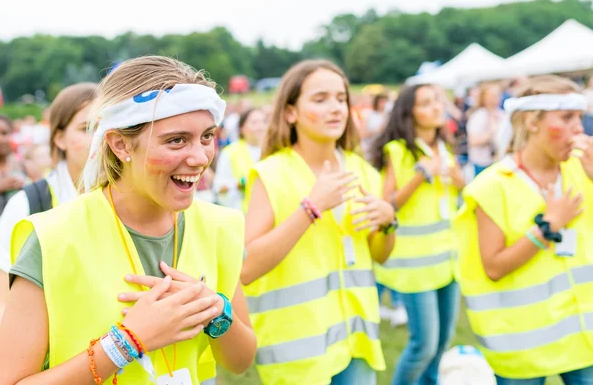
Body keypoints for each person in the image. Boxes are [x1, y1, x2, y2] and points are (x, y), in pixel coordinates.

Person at [0, 56, 256, 385]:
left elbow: (240, 361)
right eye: (176, 140)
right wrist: (128, 342)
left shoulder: (222, 226)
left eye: (206, 137)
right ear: (120, 144)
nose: (200, 157)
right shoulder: (54, 237)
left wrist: (216, 311)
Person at [242, 60, 396, 385]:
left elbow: (380, 255)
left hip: (356, 339)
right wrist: (310, 209)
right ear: (290, 113)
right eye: (320, 99)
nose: (336, 108)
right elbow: (246, 267)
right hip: (297, 349)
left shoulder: (362, 170)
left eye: (341, 98)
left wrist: (388, 222)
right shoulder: (271, 174)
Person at [455, 75, 593, 384]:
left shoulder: (583, 169)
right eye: (567, 118)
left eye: (580, 118)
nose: (579, 129)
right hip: (522, 345)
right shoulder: (491, 186)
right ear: (532, 121)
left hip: (583, 337)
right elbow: (493, 266)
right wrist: (548, 227)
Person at [371, 84, 464, 385]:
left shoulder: (445, 148)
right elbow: (387, 206)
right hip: (414, 264)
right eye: (426, 103)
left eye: (437, 100)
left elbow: (452, 200)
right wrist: (420, 175)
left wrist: (461, 183)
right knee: (423, 345)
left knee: (442, 342)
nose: (436, 107)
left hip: (447, 259)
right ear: (409, 112)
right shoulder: (395, 150)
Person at [0, 82, 97, 338]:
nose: (100, 138)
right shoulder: (28, 203)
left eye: (110, 126)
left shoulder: (140, 200)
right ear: (59, 138)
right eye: (87, 128)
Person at [213, 108, 267, 211]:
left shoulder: (273, 150)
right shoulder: (230, 152)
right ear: (242, 128)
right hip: (241, 215)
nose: (260, 127)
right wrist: (241, 183)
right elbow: (219, 187)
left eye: (263, 122)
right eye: (254, 123)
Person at [0, 113, 28, 235]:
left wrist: (28, 187)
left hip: (18, 237)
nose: (0, 139)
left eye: (4, 133)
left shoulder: (24, 166)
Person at [466, 84, 508, 176]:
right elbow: (473, 141)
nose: (496, 98)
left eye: (497, 95)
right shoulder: (478, 116)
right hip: (482, 163)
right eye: (493, 95)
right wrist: (492, 133)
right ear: (485, 97)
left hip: (499, 162)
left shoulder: (502, 114)